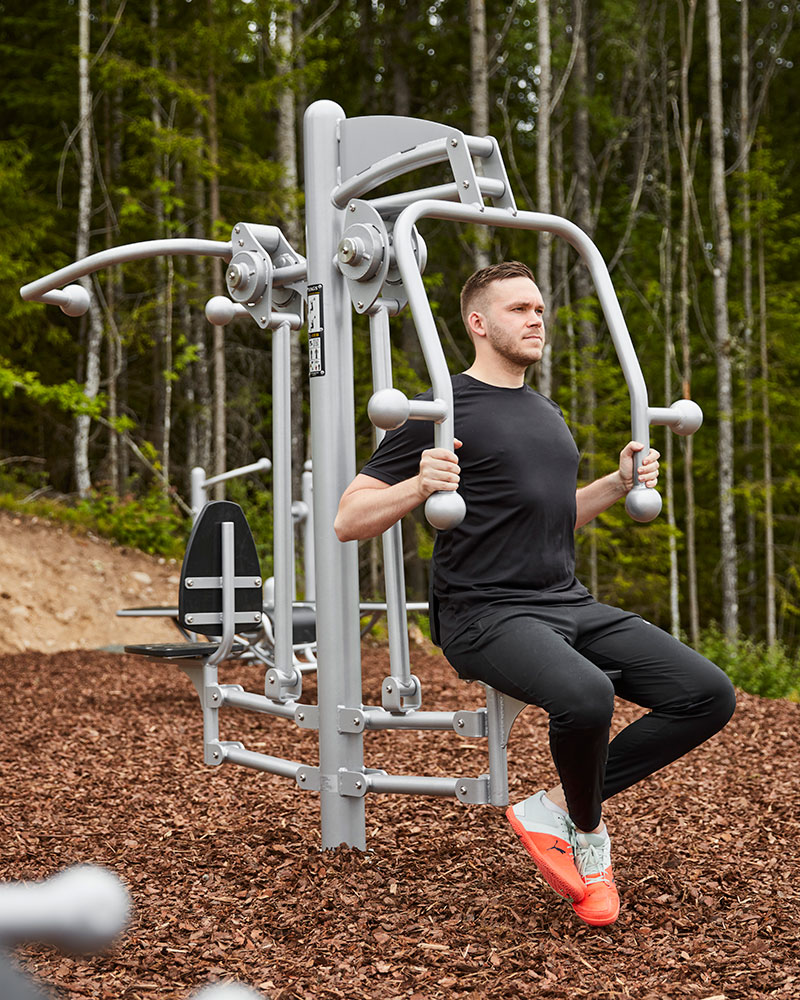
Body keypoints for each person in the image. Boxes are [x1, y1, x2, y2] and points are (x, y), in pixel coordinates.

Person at [334, 261, 736, 927]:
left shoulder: (544, 411)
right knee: (586, 696)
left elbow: (550, 517)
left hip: (565, 602)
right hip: (482, 611)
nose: (536, 319)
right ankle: (589, 837)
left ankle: (552, 806)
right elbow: (350, 519)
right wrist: (419, 486)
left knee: (706, 695)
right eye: (520, 309)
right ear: (478, 323)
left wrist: (614, 482)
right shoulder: (442, 408)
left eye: (540, 309)